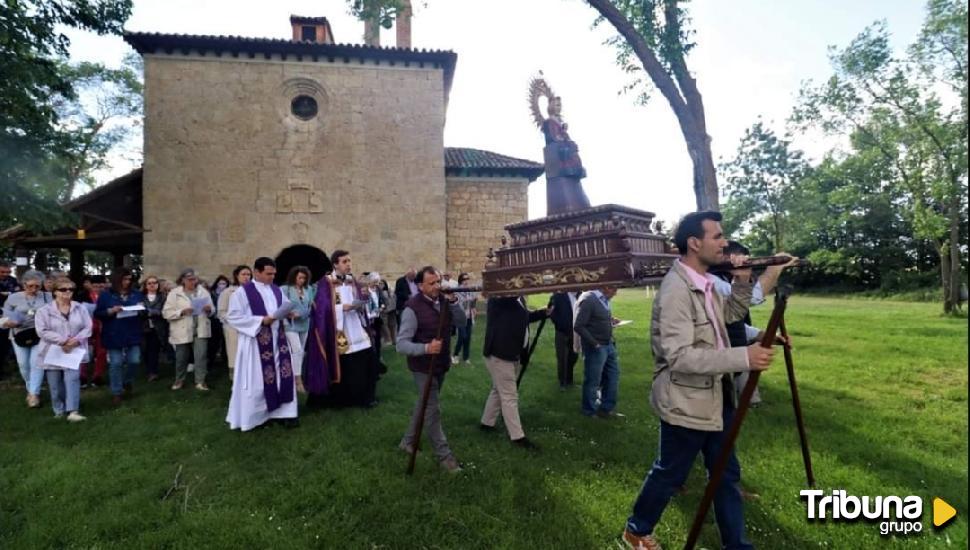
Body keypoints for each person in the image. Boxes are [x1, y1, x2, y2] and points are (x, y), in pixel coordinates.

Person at [622, 211, 775, 550]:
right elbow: (679, 356)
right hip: (686, 399)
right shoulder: (676, 290)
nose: (724, 242)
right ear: (694, 243)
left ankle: (736, 545)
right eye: (717, 236)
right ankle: (636, 530)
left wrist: (742, 279)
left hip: (716, 395)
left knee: (725, 472)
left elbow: (732, 316)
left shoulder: (704, 283)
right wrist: (743, 357)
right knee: (670, 472)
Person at [396, 266, 466, 473]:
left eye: (438, 282)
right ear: (420, 286)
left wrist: (454, 302)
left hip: (441, 365)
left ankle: (407, 441)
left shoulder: (445, 301)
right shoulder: (412, 308)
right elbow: (401, 345)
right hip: (422, 368)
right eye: (432, 283)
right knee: (433, 410)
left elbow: (462, 322)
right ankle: (445, 456)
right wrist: (426, 348)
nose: (437, 286)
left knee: (424, 404)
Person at [225, 257, 298, 431]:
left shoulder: (277, 290)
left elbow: (284, 307)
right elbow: (233, 317)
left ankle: (284, 414)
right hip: (255, 343)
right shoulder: (242, 293)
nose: (272, 277)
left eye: (274, 274)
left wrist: (288, 313)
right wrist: (261, 320)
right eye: (268, 274)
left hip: (278, 341)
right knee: (258, 380)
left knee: (283, 376)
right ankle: (256, 417)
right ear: (256, 272)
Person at [480, 295, 550, 449]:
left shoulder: (519, 299)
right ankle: (518, 437)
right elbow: (506, 300)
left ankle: (486, 423)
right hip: (500, 354)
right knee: (509, 396)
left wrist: (543, 312)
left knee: (498, 390)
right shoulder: (499, 299)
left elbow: (524, 317)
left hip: (513, 353)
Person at [324, 250, 378, 407]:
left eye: (349, 261)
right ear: (335, 264)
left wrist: (364, 298)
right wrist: (342, 308)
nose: (348, 264)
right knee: (347, 364)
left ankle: (366, 397)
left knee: (367, 358)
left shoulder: (352, 280)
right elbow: (322, 308)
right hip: (340, 330)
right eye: (344, 261)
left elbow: (360, 299)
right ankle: (346, 399)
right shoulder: (327, 282)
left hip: (356, 325)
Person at [35, 276, 92, 422]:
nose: (68, 292)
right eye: (63, 289)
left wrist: (76, 340)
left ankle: (73, 411)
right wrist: (63, 341)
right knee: (55, 384)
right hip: (53, 350)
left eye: (71, 289)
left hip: (74, 349)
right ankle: (59, 410)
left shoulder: (80, 308)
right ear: (55, 292)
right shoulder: (44, 311)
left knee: (72, 379)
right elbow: (42, 331)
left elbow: (88, 326)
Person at [96, 268, 145, 405]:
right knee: (116, 363)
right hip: (114, 332)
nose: (127, 282)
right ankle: (116, 391)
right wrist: (111, 311)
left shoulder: (136, 294)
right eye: (125, 279)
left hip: (132, 331)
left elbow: (143, 313)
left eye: (129, 279)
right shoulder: (106, 295)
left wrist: (141, 308)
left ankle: (127, 381)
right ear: (117, 280)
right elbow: (98, 313)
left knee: (134, 360)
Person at [2, 270, 51, 407]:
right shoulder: (13, 298)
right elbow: (3, 318)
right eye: (30, 286)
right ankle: (31, 388)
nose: (34, 289)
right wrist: (8, 323)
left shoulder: (47, 296)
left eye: (37, 286)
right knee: (23, 365)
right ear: (24, 284)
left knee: (36, 363)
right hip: (19, 334)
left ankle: (34, 395)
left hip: (40, 334)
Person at [163, 268, 215, 391]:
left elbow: (213, 309)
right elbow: (166, 313)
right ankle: (179, 380)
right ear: (183, 280)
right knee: (181, 357)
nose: (193, 282)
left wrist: (209, 310)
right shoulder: (175, 293)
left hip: (200, 327)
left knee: (201, 356)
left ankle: (200, 381)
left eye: (195, 279)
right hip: (182, 328)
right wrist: (181, 311)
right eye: (190, 279)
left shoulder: (203, 292)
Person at [574, 285, 621, 418]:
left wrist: (611, 321)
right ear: (605, 287)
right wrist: (594, 343)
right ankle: (589, 411)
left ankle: (606, 408)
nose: (615, 293)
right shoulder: (589, 299)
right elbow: (579, 325)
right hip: (596, 347)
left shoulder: (604, 299)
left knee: (612, 376)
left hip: (609, 344)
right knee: (593, 380)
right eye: (614, 289)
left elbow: (597, 318)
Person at [282, 265, 315, 394]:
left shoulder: (308, 289)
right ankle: (298, 380)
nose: (302, 280)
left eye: (304, 278)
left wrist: (302, 313)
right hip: (290, 325)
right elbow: (280, 306)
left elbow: (311, 306)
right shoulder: (285, 289)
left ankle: (295, 374)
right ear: (294, 277)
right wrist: (289, 313)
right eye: (300, 277)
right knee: (297, 350)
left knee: (300, 352)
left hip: (304, 323)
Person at [218, 265, 252, 383]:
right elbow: (222, 311)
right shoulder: (228, 292)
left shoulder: (253, 291)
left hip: (249, 327)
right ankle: (234, 376)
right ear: (237, 276)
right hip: (233, 327)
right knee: (234, 352)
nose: (246, 277)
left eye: (248, 274)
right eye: (243, 274)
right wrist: (234, 320)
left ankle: (248, 376)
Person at [548, 291, 580, 390]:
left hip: (576, 332)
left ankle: (569, 380)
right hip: (562, 332)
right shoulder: (558, 296)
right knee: (562, 357)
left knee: (573, 356)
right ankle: (562, 382)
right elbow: (551, 312)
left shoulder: (582, 295)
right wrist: (560, 324)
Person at [141, 275, 168, 382]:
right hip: (143, 326)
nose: (152, 285)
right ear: (146, 286)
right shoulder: (141, 297)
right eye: (149, 283)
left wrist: (153, 312)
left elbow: (165, 311)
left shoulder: (163, 297)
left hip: (158, 327)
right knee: (144, 350)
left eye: (154, 283)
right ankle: (149, 370)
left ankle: (153, 372)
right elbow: (139, 311)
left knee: (154, 349)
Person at [0, 261, 22, 381]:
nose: (5, 274)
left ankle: (4, 369)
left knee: (4, 344)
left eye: (8, 272)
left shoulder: (12, 280)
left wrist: (6, 294)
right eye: (2, 272)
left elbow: (17, 294)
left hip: (8, 315)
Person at [451, 273, 477, 366]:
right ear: (460, 280)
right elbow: (455, 302)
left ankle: (466, 357)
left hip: (469, 316)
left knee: (468, 338)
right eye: (464, 279)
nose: (466, 281)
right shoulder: (457, 290)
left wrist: (474, 308)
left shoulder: (470, 290)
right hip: (460, 317)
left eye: (467, 279)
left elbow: (473, 300)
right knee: (462, 336)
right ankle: (455, 355)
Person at [208, 274, 230, 368]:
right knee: (214, 342)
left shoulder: (229, 293)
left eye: (224, 283)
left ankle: (226, 360)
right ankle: (211, 361)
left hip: (226, 320)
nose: (222, 285)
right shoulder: (212, 294)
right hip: (215, 320)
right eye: (220, 283)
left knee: (226, 342)